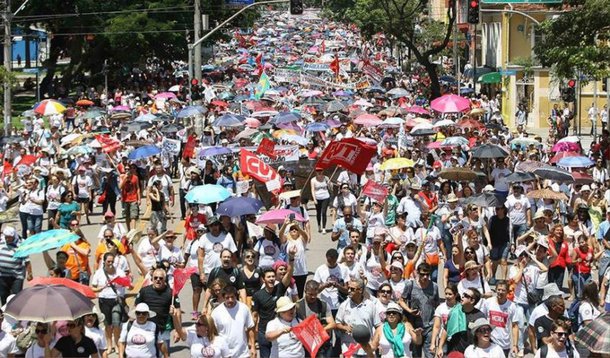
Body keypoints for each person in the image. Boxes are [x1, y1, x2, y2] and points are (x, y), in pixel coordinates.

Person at [252, 247, 296, 358]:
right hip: (263, 332)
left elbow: (289, 272)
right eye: (268, 277)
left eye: (273, 276)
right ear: (263, 279)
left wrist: (291, 257)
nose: (271, 279)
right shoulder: (258, 295)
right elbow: (254, 315)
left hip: (279, 329)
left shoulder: (280, 288)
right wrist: (253, 338)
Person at [398, 262, 440, 357]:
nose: (425, 277)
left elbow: (437, 306)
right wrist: (409, 310)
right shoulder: (410, 285)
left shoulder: (434, 287)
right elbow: (401, 301)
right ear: (417, 273)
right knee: (415, 355)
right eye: (422, 274)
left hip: (429, 326)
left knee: (430, 354)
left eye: (427, 274)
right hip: (414, 327)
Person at [135, 267, 180, 355]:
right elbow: (137, 308)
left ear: (165, 279)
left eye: (160, 278)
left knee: (165, 354)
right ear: (152, 279)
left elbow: (177, 312)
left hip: (163, 330)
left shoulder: (171, 293)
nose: (158, 280)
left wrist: (178, 330)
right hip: (146, 330)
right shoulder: (144, 291)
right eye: (155, 278)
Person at [90, 251, 129, 354]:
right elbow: (93, 288)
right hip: (104, 300)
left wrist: (122, 282)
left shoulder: (120, 272)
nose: (111, 264)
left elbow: (128, 284)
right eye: (108, 261)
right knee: (108, 324)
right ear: (104, 262)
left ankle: (117, 344)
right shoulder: (99, 273)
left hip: (117, 300)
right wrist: (101, 288)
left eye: (112, 261)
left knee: (116, 323)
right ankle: (109, 345)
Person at [335, 278, 381, 356]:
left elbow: (378, 326)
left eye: (352, 289)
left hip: (367, 349)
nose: (349, 291)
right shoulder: (344, 305)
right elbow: (337, 324)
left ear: (360, 290)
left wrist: (375, 343)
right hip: (349, 348)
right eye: (348, 288)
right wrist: (344, 328)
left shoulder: (371, 305)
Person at [211, 285, 256, 358]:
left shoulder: (244, 309)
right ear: (223, 297)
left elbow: (250, 327)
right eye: (227, 298)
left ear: (236, 296)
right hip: (224, 354)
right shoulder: (216, 312)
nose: (230, 300)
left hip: (242, 353)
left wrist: (253, 347)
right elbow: (212, 332)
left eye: (232, 297)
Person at [295, 280, 336, 358]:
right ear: (305, 291)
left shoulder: (323, 305)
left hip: (322, 344)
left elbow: (332, 324)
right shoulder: (298, 306)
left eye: (315, 294)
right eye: (310, 294)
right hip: (305, 345)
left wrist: (320, 331)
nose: (313, 297)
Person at [0, 226, 32, 304]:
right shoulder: (1, 241)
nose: (7, 239)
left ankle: (15, 313)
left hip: (17, 276)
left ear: (14, 236)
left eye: (9, 237)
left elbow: (27, 261)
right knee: (3, 296)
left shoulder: (21, 244)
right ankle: (4, 314)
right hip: (2, 275)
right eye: (6, 237)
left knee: (15, 297)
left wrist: (30, 273)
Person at [279, 217, 309, 298]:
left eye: (295, 229)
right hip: (290, 272)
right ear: (289, 231)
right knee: (289, 294)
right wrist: (285, 225)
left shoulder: (302, 240)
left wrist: (299, 227)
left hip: (302, 272)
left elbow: (306, 236)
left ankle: (299, 310)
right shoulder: (287, 241)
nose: (294, 230)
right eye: (292, 229)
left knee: (299, 294)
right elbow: (280, 235)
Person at [430, 283, 459, 357]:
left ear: (455, 295)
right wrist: (433, 343)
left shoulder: (460, 308)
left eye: (450, 294)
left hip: (456, 340)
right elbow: (436, 327)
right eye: (446, 294)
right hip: (443, 340)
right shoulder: (440, 308)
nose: (447, 296)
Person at [311, 167, 331, 233]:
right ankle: (319, 225)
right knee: (318, 213)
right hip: (317, 197)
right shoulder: (313, 180)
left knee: (324, 212)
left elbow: (331, 187)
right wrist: (314, 199)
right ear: (316, 172)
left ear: (323, 171)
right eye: (317, 171)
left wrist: (329, 184)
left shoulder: (326, 178)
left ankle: (324, 228)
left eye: (320, 170)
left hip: (325, 197)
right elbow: (312, 190)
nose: (319, 172)